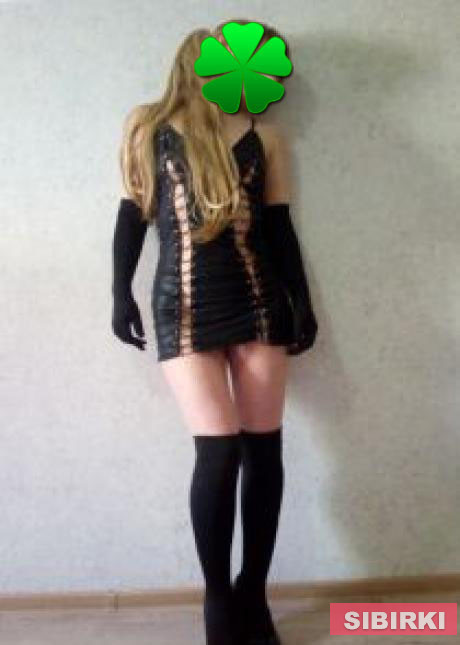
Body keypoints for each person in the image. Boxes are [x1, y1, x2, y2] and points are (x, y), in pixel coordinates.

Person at [111, 18, 318, 645]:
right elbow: (131, 214)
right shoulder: (147, 126)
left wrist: (303, 304)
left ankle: (253, 592)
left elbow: (278, 228)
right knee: (220, 452)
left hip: (259, 303)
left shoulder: (264, 136)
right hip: (183, 305)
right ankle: (217, 599)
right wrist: (118, 292)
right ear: (195, 64)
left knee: (264, 451)